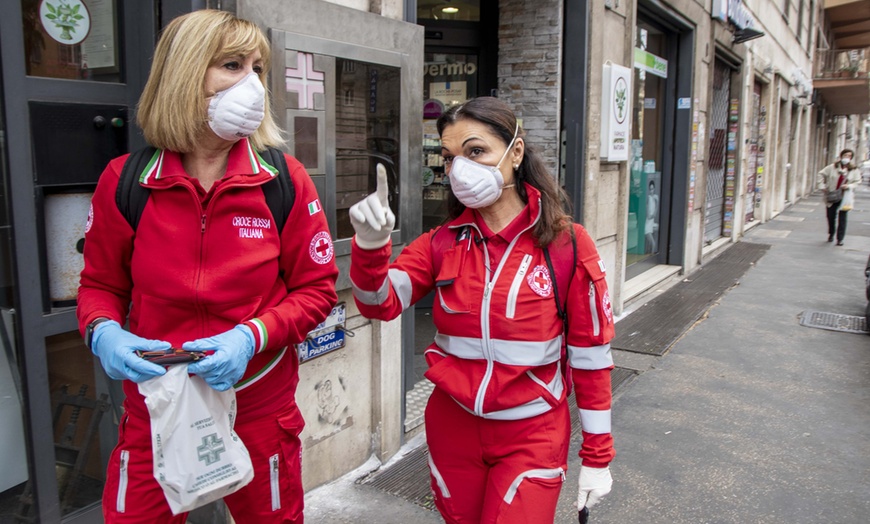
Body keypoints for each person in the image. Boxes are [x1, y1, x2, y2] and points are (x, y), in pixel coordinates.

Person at [77, 10, 338, 523]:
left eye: (258, 69)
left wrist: (252, 336)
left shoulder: (283, 181)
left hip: (258, 407)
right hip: (158, 407)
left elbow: (316, 290)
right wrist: (103, 330)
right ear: (184, 73)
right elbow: (100, 284)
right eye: (232, 65)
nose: (253, 84)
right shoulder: (126, 181)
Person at [349, 97, 615, 523]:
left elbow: (591, 356)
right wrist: (368, 247)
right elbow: (380, 302)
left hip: (533, 431)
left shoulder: (567, 245)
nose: (460, 169)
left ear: (516, 152)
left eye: (476, 152)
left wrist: (598, 455)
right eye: (450, 157)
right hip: (453, 429)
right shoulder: (441, 241)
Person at [817, 148, 861, 246]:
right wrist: (822, 186)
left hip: (845, 197)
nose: (847, 157)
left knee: (843, 218)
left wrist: (849, 186)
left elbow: (857, 181)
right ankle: (831, 233)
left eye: (849, 156)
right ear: (841, 156)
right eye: (845, 155)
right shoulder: (832, 167)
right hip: (832, 195)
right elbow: (820, 174)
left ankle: (840, 239)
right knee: (830, 216)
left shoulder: (854, 169)